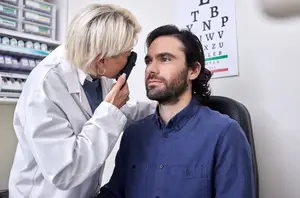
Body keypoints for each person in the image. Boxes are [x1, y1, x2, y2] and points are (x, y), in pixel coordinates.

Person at [8, 4, 157, 198]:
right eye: (127, 55)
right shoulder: (45, 86)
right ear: (100, 60)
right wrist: (111, 110)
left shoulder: (95, 73)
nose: (130, 61)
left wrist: (160, 108)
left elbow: (112, 114)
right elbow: (64, 171)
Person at [99, 25, 255, 198]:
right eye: (148, 61)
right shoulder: (133, 134)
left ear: (193, 70)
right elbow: (114, 193)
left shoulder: (225, 134)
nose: (151, 69)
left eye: (164, 59)